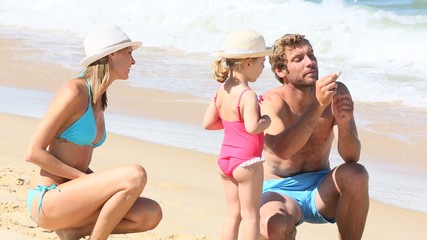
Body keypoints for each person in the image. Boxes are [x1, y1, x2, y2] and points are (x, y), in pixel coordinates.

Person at [25, 24, 162, 240]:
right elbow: (33, 152)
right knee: (135, 175)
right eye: (129, 53)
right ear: (111, 54)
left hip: (75, 198)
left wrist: (89, 182)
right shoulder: (74, 91)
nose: (133, 61)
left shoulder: (99, 98)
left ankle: (73, 232)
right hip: (49, 199)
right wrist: (83, 179)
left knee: (150, 213)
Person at [259, 33, 369, 240]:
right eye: (299, 59)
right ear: (281, 70)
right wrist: (319, 106)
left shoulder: (336, 91)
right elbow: (283, 151)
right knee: (272, 225)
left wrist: (344, 123)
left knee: (356, 173)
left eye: (311, 55)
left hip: (321, 188)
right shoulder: (271, 102)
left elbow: (351, 157)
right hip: (280, 189)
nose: (310, 62)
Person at [203, 29, 272, 240]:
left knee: (232, 214)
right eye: (261, 63)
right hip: (247, 161)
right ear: (248, 62)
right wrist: (266, 121)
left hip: (225, 160)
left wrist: (233, 126)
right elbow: (252, 127)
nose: (263, 68)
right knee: (251, 215)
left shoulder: (221, 90)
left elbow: (208, 123)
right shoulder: (247, 94)